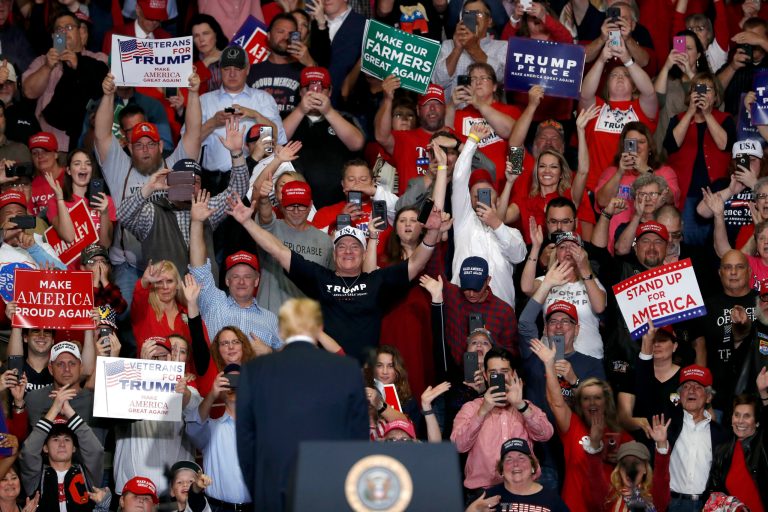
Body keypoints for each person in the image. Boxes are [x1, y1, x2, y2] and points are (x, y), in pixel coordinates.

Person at [225, 185, 447, 363]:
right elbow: (278, 250)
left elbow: (416, 263)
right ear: (334, 253)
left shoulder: (377, 281)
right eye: (341, 246)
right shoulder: (321, 278)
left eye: (354, 246)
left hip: (365, 376)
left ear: (363, 253)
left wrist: (434, 231)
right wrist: (247, 222)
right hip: (326, 371)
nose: (348, 251)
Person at [236, 298, 368, 511]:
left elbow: (245, 441)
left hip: (271, 491)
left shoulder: (254, 371)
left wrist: (259, 489)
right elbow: (359, 439)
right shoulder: (347, 369)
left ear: (281, 331)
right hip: (332, 491)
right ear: (319, 328)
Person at [94, 71, 201, 310]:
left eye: (151, 144)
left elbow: (193, 134)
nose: (145, 150)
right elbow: (102, 135)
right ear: (128, 147)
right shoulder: (118, 168)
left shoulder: (175, 166)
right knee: (128, 317)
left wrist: (193, 94)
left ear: (160, 145)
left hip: (173, 266)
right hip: (130, 267)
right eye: (139, 145)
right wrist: (108, 95)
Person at [530, 336, 632, 512]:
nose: (592, 403)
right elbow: (556, 403)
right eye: (586, 398)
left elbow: (637, 476)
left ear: (606, 401)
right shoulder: (573, 425)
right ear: (580, 403)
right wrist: (549, 364)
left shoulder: (620, 435)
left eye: (597, 398)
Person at [451, 347, 553, 502]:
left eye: (504, 371)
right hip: (483, 492)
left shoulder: (526, 406)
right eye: (493, 373)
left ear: (513, 373)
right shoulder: (471, 408)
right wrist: (483, 410)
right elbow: (458, 445)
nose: (500, 377)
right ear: (485, 375)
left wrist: (521, 406)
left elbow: (546, 434)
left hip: (524, 488)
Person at [451, 124, 525, 307]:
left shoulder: (512, 233)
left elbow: (519, 256)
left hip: (500, 313)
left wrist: (496, 224)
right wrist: (472, 140)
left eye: (486, 193)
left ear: (497, 198)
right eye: (475, 195)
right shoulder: (464, 222)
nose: (480, 199)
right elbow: (460, 178)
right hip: (463, 307)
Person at [580, 33, 658, 191]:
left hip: (634, 187)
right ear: (606, 84)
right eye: (614, 75)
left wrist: (627, 60)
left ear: (634, 84)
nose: (620, 77)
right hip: (594, 186)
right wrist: (601, 59)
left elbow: (650, 92)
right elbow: (585, 94)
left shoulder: (641, 108)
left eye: (626, 75)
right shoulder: (596, 107)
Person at [664, 71, 735, 245]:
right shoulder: (678, 119)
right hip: (687, 192)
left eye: (708, 89)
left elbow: (725, 144)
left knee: (717, 242)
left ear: (716, 96)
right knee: (689, 242)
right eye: (698, 89)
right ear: (690, 95)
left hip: (718, 191)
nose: (702, 93)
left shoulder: (725, 119)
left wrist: (708, 114)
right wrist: (690, 113)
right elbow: (672, 145)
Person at [21, 12, 108, 151]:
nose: (64, 33)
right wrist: (47, 67)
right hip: (48, 145)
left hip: (86, 144)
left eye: (69, 27)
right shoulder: (42, 61)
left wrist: (78, 64)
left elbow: (103, 86)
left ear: (81, 32)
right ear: (53, 36)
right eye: (59, 30)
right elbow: (28, 92)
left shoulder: (99, 58)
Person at [282, 66, 365, 208]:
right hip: (294, 202)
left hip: (337, 203)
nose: (315, 93)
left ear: (330, 91)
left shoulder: (344, 118)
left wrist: (328, 111)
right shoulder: (286, 117)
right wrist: (301, 110)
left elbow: (357, 143)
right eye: (309, 88)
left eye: (322, 89)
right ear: (301, 91)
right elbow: (274, 140)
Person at [198, 44, 284, 175]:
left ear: (247, 69)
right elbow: (187, 144)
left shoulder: (263, 99)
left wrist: (256, 115)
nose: (232, 74)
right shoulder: (204, 100)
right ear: (220, 70)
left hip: (256, 176)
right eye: (227, 68)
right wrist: (212, 124)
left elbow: (279, 139)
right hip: (214, 180)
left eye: (238, 68)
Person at [521, 231, 605, 359]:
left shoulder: (592, 281)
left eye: (573, 247)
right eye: (562, 247)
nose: (568, 250)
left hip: (588, 355)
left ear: (582, 253)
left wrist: (584, 268)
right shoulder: (547, 280)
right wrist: (536, 247)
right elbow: (526, 287)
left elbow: (599, 307)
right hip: (552, 355)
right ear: (556, 254)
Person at [254, 179, 333, 314]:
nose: (296, 211)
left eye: (301, 205)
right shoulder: (271, 229)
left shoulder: (324, 240)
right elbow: (265, 217)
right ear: (281, 205)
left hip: (305, 324)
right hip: (269, 321)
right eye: (291, 205)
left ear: (310, 205)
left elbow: (330, 284)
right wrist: (263, 198)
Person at [19, 394, 109, 511]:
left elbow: (95, 451)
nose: (62, 444)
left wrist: (69, 411)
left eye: (67, 439)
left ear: (74, 448)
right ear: (45, 447)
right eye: (55, 439)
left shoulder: (87, 474)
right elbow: (28, 452)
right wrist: (54, 409)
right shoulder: (35, 477)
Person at [45, 149, 115, 268]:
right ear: (68, 170)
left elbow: (105, 245)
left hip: (96, 273)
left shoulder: (105, 201)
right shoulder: (55, 202)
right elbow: (68, 236)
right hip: (68, 273)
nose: (83, 167)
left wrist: (104, 212)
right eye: (77, 163)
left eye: (88, 164)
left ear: (92, 169)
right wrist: (60, 199)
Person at [432, 0, 507, 97]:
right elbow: (438, 83)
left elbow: (501, 78)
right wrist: (457, 49)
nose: (473, 18)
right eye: (468, 13)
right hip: (454, 110)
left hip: (487, 111)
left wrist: (474, 49)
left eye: (478, 13)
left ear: (489, 21)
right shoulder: (448, 45)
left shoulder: (502, 47)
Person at [586, 431, 671, 512]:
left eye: (636, 463)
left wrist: (661, 445)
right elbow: (595, 476)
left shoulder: (654, 497)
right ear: (619, 470)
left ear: (645, 469)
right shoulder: (610, 497)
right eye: (625, 464)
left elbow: (661, 477)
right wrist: (594, 444)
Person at [478, 438, 568, 512]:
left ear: (533, 466)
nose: (516, 463)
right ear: (501, 470)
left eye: (521, 458)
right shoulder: (487, 497)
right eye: (509, 460)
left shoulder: (552, 500)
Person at [248, 14, 304, 116]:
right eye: (280, 32)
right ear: (268, 36)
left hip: (295, 130)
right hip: (262, 130)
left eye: (291, 33)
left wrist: (310, 63)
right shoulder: (252, 71)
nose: (286, 37)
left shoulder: (304, 71)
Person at [189, 14, 228, 93]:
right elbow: (190, 93)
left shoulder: (231, 54)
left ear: (216, 34)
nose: (201, 39)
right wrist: (205, 63)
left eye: (206, 33)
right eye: (196, 36)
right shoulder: (189, 63)